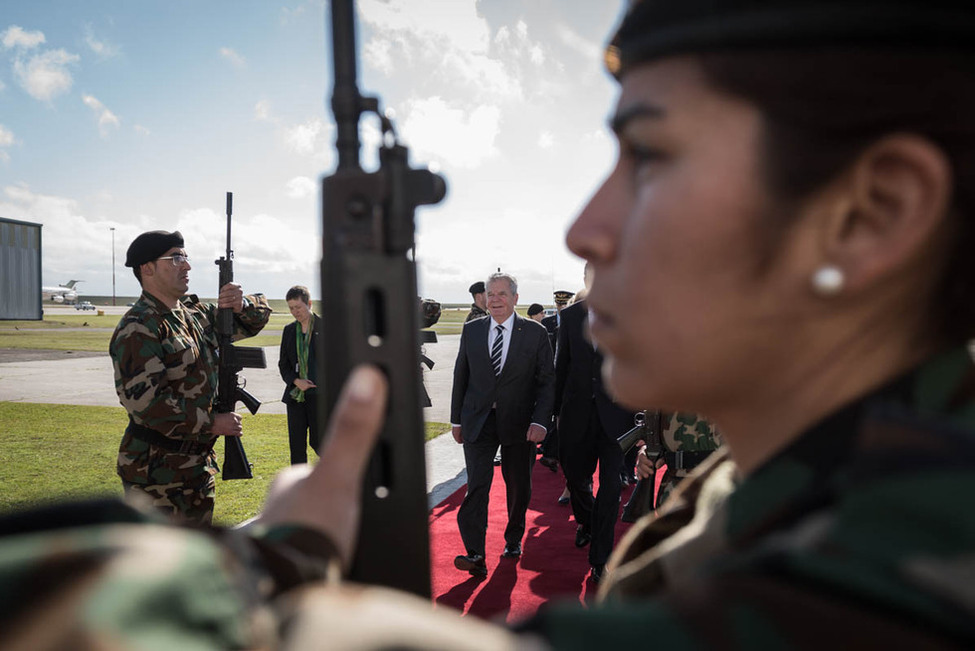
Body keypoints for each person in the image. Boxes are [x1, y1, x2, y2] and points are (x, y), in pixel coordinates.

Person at [7, 2, 975, 648]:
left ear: (873, 212)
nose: (587, 228)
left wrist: (278, 559)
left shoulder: (902, 570)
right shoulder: (779, 480)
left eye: (652, 157)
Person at [111, 230, 270, 524]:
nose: (186, 266)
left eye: (185, 257)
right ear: (147, 269)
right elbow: (148, 405)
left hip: (197, 468)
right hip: (156, 477)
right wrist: (212, 422)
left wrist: (241, 304)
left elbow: (255, 320)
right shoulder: (138, 327)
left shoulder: (194, 316)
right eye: (175, 258)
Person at [450, 272, 555, 575]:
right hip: (478, 422)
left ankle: (513, 537)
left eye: (502, 294)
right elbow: (461, 377)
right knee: (477, 487)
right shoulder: (471, 330)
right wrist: (456, 420)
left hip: (520, 424)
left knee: (518, 486)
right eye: (490, 294)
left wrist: (541, 422)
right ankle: (474, 554)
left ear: (515, 299)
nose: (495, 300)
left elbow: (547, 383)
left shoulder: (534, 333)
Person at [553, 264, 635, 583]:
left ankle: (600, 557)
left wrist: (640, 416)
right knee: (575, 479)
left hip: (616, 417)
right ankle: (586, 522)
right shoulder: (570, 317)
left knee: (611, 486)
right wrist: (554, 412)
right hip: (576, 414)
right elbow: (563, 365)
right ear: (585, 280)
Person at [634, 411, 722, 509]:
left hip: (719, 487)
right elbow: (655, 431)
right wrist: (647, 451)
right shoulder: (662, 396)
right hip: (674, 490)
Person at [279, 285, 322, 465]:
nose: (295, 312)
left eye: (298, 307)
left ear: (309, 304)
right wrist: (296, 381)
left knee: (320, 443)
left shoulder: (326, 328)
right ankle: (299, 486)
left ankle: (335, 481)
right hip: (296, 397)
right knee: (296, 448)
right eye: (291, 308)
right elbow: (283, 364)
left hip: (320, 397)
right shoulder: (289, 330)